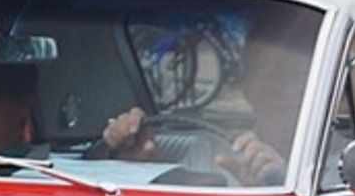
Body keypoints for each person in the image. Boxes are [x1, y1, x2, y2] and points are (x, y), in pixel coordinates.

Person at [101, 18, 312, 186]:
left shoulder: (341, 166)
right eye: (268, 75)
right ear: (247, 87)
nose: (283, 89)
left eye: (298, 75)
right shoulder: (203, 156)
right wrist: (135, 165)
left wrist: (276, 184)